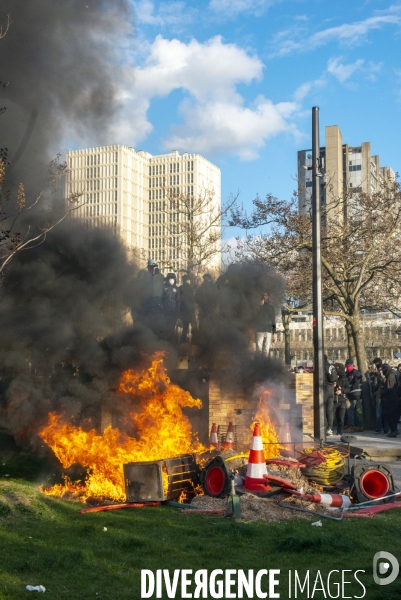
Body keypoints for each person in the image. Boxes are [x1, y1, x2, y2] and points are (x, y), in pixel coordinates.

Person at [380, 362, 400, 437]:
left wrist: (382, 393)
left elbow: (390, 389)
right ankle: (393, 430)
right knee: (393, 415)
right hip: (395, 398)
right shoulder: (394, 374)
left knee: (386, 413)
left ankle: (394, 430)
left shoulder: (391, 376)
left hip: (391, 398)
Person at [253, 292, 277, 357]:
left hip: (268, 330)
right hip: (259, 330)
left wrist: (274, 333)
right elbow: (253, 320)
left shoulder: (270, 307)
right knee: (259, 349)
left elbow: (273, 321)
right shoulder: (256, 308)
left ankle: (264, 364)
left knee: (266, 350)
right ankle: (259, 363)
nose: (264, 297)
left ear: (268, 296)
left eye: (266, 295)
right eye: (263, 295)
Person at [343, 359, 363, 432]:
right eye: (347, 366)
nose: (348, 367)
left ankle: (351, 425)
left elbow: (356, 383)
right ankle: (358, 425)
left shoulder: (356, 373)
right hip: (350, 394)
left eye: (349, 365)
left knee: (350, 409)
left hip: (355, 394)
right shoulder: (347, 373)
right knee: (353, 410)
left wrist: (348, 389)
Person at [161, 272, 181, 342]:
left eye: (173, 278)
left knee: (172, 328)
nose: (171, 280)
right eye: (170, 278)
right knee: (165, 327)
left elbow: (178, 301)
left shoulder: (177, 289)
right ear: (168, 279)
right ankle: (165, 342)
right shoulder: (163, 287)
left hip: (173, 312)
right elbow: (161, 299)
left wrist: (177, 312)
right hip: (165, 311)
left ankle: (171, 343)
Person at [333, 363, 351, 435]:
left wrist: (341, 391)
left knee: (341, 418)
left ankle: (339, 431)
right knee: (332, 416)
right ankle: (329, 429)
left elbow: (348, 389)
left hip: (342, 400)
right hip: (334, 400)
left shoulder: (344, 379)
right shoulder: (332, 379)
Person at [179, 274, 195, 343]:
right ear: (188, 280)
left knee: (185, 327)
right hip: (190, 310)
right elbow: (192, 300)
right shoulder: (190, 288)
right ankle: (194, 341)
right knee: (193, 326)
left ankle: (183, 341)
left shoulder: (180, 288)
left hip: (183, 310)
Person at [324, 355, 338, 436]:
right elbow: (335, 378)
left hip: (325, 388)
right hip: (331, 388)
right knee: (330, 410)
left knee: (322, 408)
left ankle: (324, 427)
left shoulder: (321, 367)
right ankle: (330, 428)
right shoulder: (331, 366)